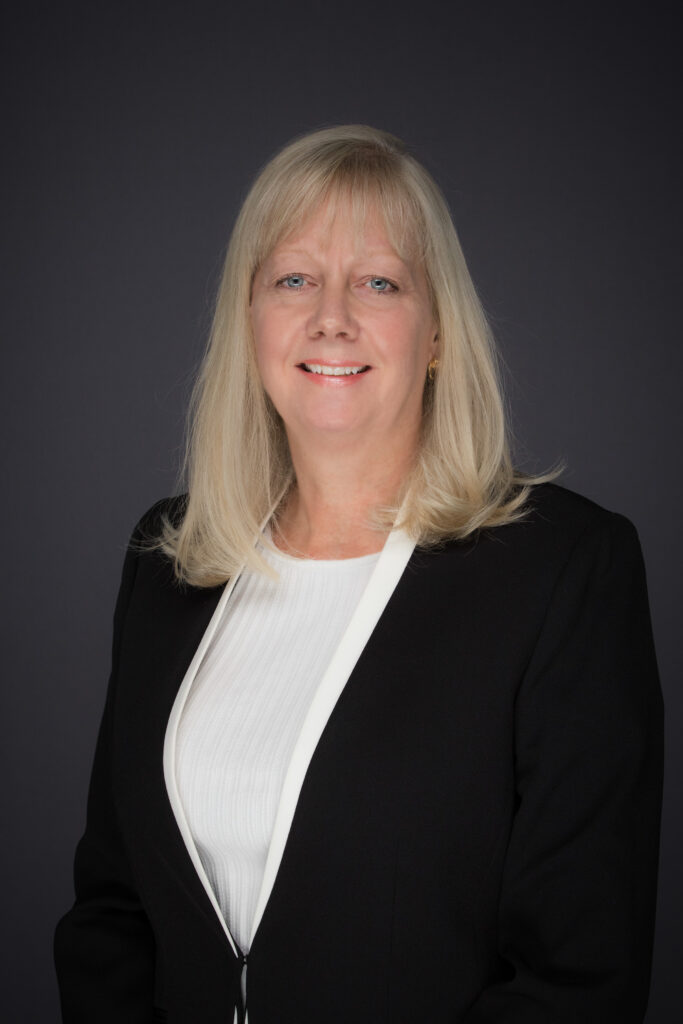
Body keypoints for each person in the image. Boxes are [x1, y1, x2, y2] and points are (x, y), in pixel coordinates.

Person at [54, 125, 664, 1024]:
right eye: (292, 279)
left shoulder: (565, 570)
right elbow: (113, 910)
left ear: (436, 337)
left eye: (378, 282)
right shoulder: (170, 557)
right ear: (249, 321)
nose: (330, 315)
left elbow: (576, 977)